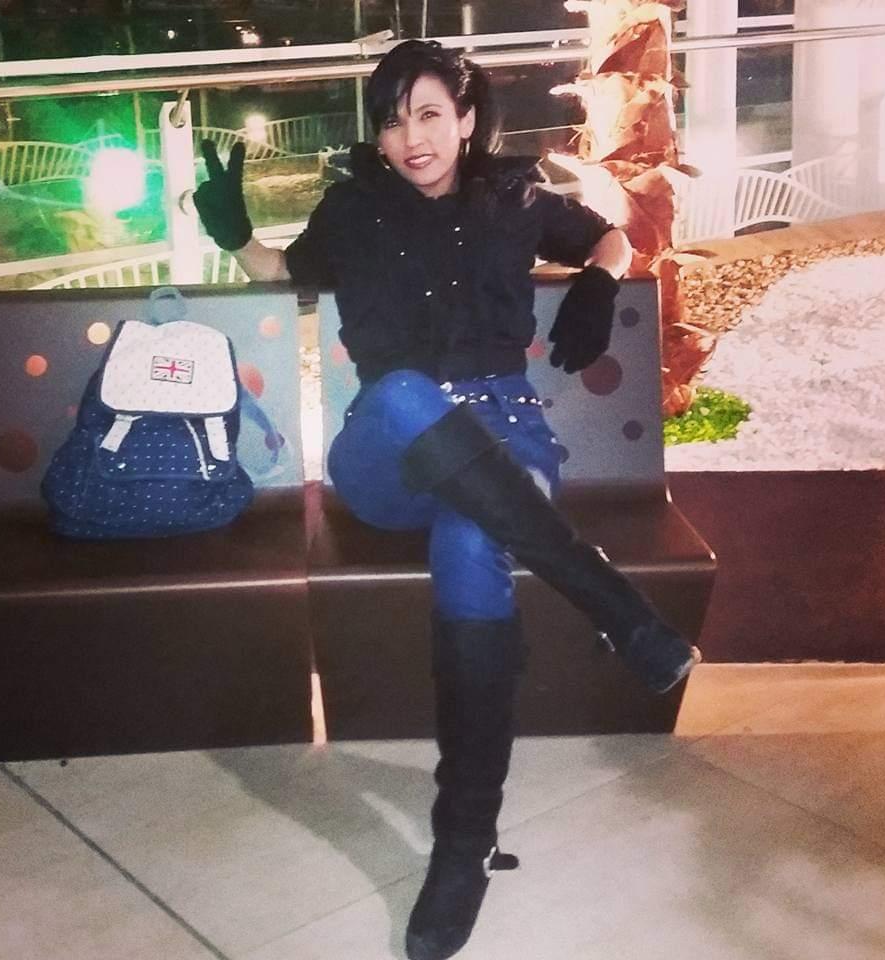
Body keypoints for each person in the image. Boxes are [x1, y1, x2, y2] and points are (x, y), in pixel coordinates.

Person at [194, 39, 700, 960]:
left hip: (505, 438)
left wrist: (599, 280)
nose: (411, 137)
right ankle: (612, 605)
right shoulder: (354, 207)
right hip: (387, 452)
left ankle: (463, 847)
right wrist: (234, 234)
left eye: (429, 113)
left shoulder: (515, 199)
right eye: (392, 120)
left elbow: (610, 236)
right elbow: (285, 276)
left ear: (467, 119)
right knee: (400, 391)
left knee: (473, 541)